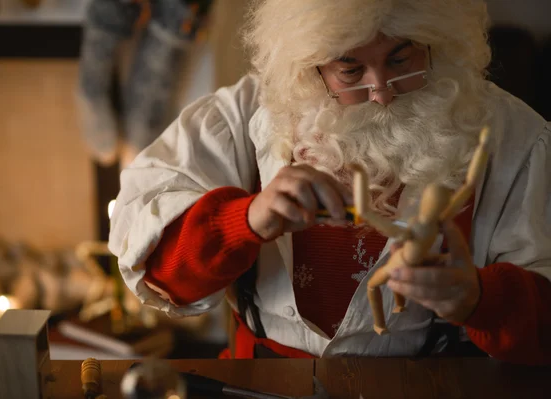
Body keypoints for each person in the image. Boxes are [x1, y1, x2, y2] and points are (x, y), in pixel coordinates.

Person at [108, 0, 551, 364]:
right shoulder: (238, 119)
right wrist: (244, 221)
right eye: (350, 70)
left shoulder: (515, 138)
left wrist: (482, 299)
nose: (381, 90)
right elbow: (155, 267)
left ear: (440, 42)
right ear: (309, 67)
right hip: (265, 387)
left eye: (402, 57)